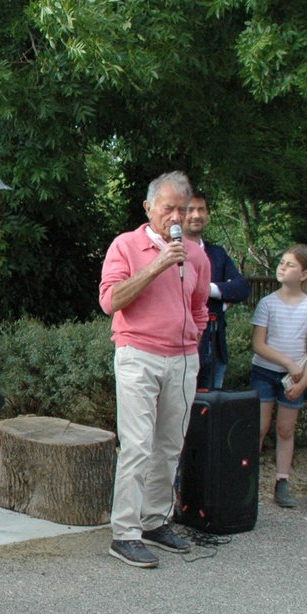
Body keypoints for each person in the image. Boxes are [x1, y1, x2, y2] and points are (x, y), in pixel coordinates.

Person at [97, 170, 210, 568]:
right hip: (138, 355)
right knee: (137, 445)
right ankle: (124, 533)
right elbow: (111, 301)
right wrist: (158, 265)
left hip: (182, 358)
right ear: (149, 208)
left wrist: (194, 335)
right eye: (169, 209)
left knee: (169, 445)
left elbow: (199, 306)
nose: (177, 217)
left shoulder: (196, 253)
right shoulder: (126, 245)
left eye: (183, 209)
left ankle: (155, 521)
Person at [249, 244, 307, 508]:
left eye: (290, 264)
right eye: (281, 262)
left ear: (304, 274)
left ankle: (282, 481)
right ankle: (248, 481)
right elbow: (259, 344)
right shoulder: (267, 303)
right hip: (265, 371)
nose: (282, 267)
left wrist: (303, 380)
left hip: (294, 378)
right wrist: (287, 362)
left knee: (285, 429)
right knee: (259, 427)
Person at [184, 191, 250, 389]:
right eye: (190, 210)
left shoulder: (217, 253)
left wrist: (206, 289)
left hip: (214, 347)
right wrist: (221, 296)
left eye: (201, 209)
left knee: (211, 413)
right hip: (182, 348)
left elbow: (241, 288)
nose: (196, 215)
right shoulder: (170, 251)